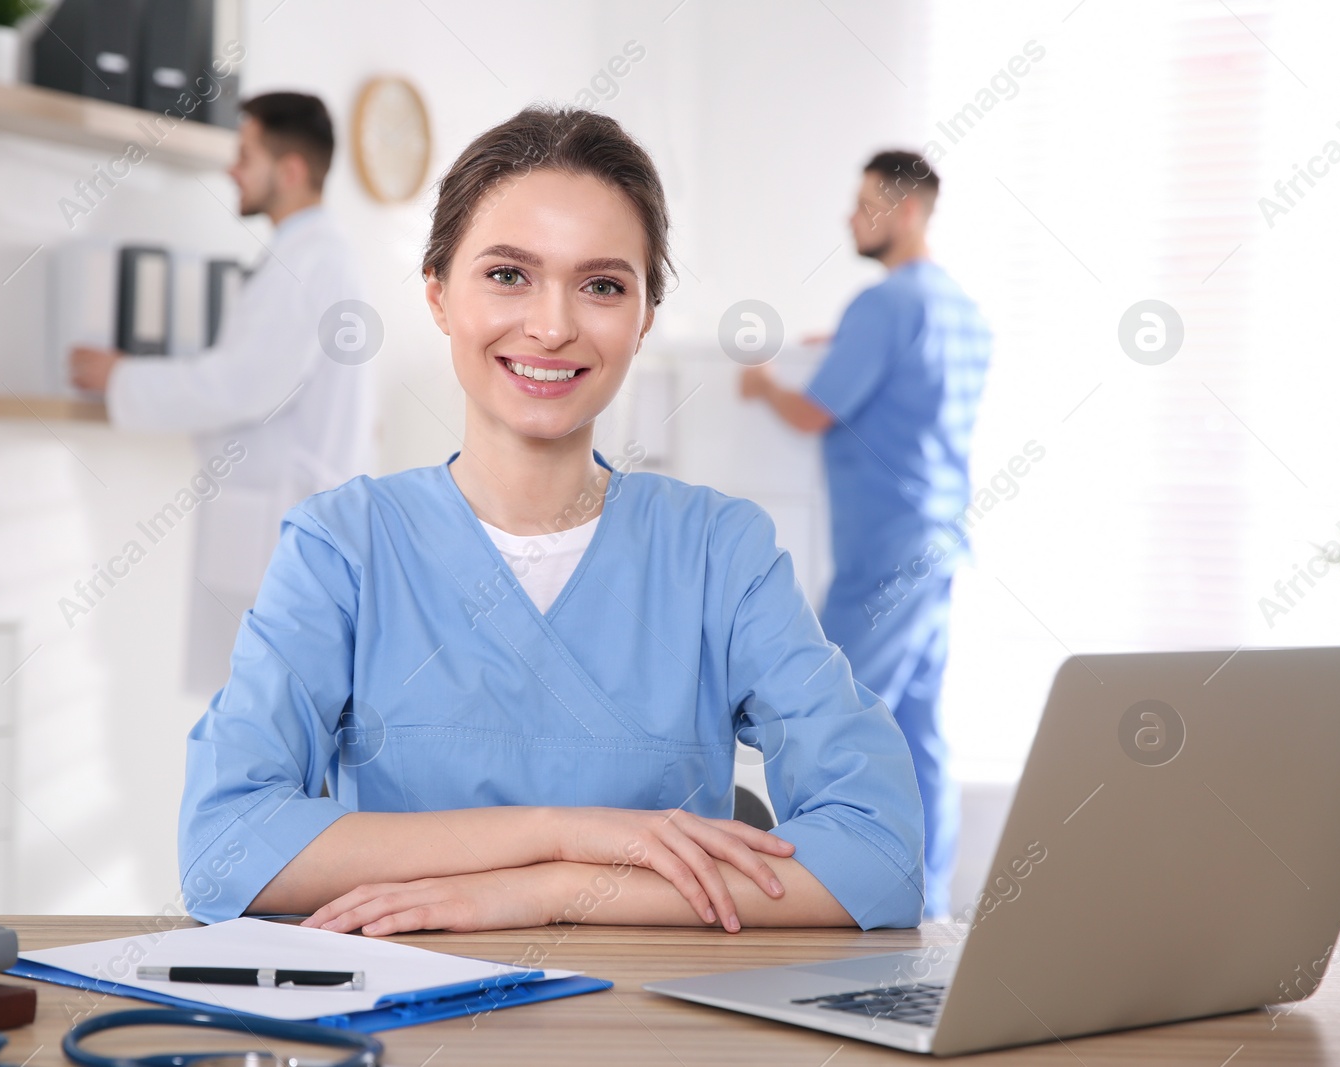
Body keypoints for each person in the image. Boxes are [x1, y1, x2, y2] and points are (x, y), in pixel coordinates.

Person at [178, 109, 925, 935]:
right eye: (508, 274)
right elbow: (223, 847)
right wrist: (558, 832)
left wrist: (548, 890)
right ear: (438, 294)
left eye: (603, 285)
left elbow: (881, 856)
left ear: (643, 318)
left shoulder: (719, 553)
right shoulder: (343, 548)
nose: (552, 325)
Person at [739, 151, 992, 919]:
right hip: (939, 542)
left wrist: (763, 383)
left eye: (866, 202)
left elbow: (816, 412)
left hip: (883, 554)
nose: (853, 217)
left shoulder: (881, 307)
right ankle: (929, 900)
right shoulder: (959, 309)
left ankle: (828, 894)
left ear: (906, 209)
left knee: (829, 712)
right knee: (918, 730)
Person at [70, 91, 374, 696]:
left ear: (289, 171)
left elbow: (243, 384)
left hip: (281, 531)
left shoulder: (312, 262)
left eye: (245, 153)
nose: (231, 168)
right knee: (258, 721)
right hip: (269, 523)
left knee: (272, 729)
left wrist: (122, 378)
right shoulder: (303, 257)